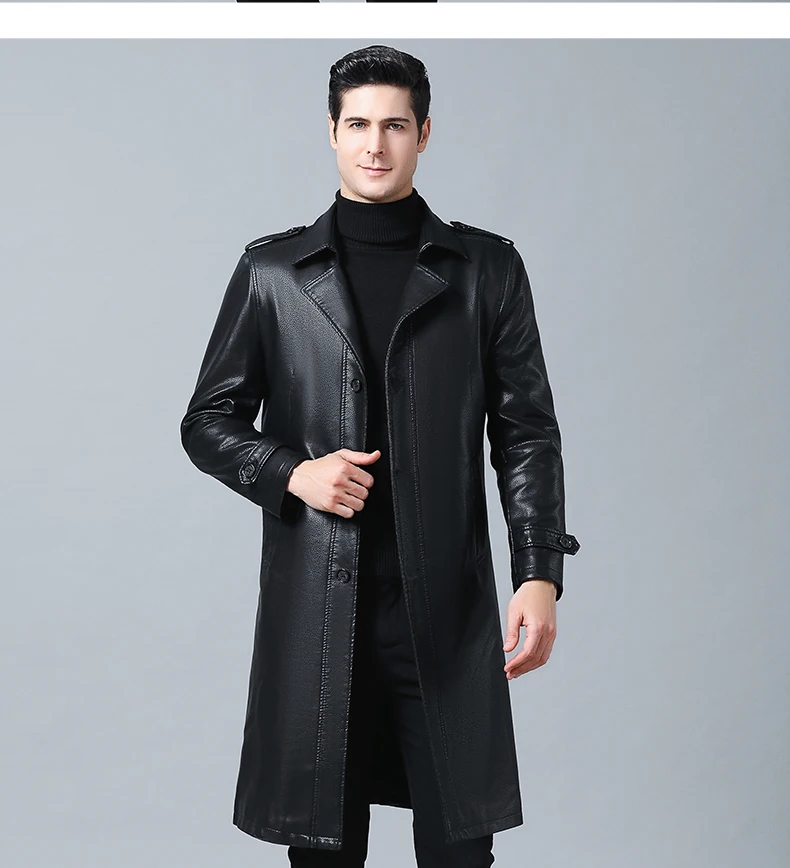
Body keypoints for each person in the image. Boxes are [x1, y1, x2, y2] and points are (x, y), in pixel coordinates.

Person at [180, 43, 579, 868]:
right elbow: (208, 420)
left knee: (460, 852)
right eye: (358, 124)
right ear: (331, 131)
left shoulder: (485, 270)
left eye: (394, 125)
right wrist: (293, 472)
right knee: (323, 855)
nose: (375, 144)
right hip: (318, 617)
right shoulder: (273, 273)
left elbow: (526, 432)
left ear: (424, 133)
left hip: (445, 613)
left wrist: (538, 572)